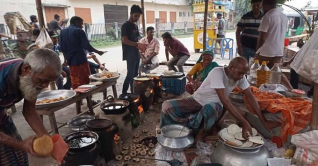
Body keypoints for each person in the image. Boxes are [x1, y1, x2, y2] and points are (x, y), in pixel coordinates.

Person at [160, 57, 278, 141]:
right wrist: (244, 122)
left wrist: (263, 121)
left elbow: (250, 97)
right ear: (231, 68)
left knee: (210, 108)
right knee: (167, 106)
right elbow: (225, 100)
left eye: (244, 74)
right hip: (196, 101)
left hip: (214, 106)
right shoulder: (218, 72)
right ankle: (169, 132)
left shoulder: (240, 78)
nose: (242, 76)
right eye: (240, 73)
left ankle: (200, 134)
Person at [0, 48, 62, 165]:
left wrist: (48, 142)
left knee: (19, 158)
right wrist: (20, 144)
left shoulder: (27, 76)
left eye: (49, 82)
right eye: (43, 80)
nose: (45, 86)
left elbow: (29, 110)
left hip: (1, 115)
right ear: (26, 69)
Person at [255, 0, 293, 90]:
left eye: (262, 5)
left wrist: (257, 51)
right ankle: (291, 90)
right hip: (278, 51)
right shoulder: (284, 17)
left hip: (266, 51)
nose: (261, 8)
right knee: (276, 76)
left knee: (260, 76)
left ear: (266, 5)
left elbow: (262, 37)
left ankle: (259, 94)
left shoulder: (267, 16)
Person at [59, 16, 104, 90]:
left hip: (71, 62)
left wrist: (65, 60)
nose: (82, 26)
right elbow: (87, 46)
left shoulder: (63, 32)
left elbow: (62, 48)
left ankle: (78, 101)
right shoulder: (79, 31)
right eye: (81, 24)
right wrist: (98, 52)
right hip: (81, 60)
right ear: (76, 22)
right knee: (85, 82)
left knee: (75, 82)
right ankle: (88, 100)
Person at [121, 5, 147, 94]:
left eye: (138, 16)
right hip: (129, 54)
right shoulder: (125, 26)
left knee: (135, 75)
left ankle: (133, 92)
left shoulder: (135, 26)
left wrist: (141, 46)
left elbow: (136, 39)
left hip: (136, 53)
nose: (137, 18)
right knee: (130, 74)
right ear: (131, 14)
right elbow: (124, 40)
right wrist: (137, 44)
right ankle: (124, 92)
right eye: (135, 15)